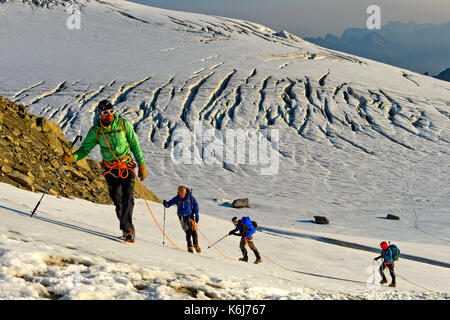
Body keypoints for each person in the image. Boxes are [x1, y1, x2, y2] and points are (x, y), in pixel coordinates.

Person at [61, 100, 147, 243]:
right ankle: (126, 227)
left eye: (111, 111)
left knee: (128, 197)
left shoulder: (123, 124)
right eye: (105, 112)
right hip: (110, 169)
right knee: (117, 200)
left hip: (126, 166)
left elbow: (134, 144)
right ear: (99, 114)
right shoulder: (96, 130)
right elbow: (84, 149)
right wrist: (73, 158)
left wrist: (141, 165)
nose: (109, 115)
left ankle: (128, 230)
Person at [163, 186, 200, 253]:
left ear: (185, 192)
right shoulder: (177, 198)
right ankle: (190, 247)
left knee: (193, 232)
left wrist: (197, 216)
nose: (182, 194)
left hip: (190, 217)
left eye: (183, 193)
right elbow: (169, 203)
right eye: (180, 193)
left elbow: (196, 205)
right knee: (188, 233)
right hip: (182, 219)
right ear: (178, 192)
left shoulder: (190, 197)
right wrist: (166, 204)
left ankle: (196, 245)